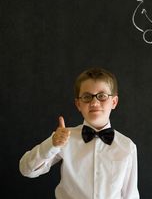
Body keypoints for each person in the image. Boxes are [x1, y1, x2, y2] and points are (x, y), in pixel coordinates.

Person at [19, 67, 140, 199]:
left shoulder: (127, 146)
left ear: (114, 102)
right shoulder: (63, 137)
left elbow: (131, 195)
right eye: (87, 97)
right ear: (78, 104)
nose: (94, 102)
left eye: (102, 96)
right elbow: (26, 170)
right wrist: (52, 144)